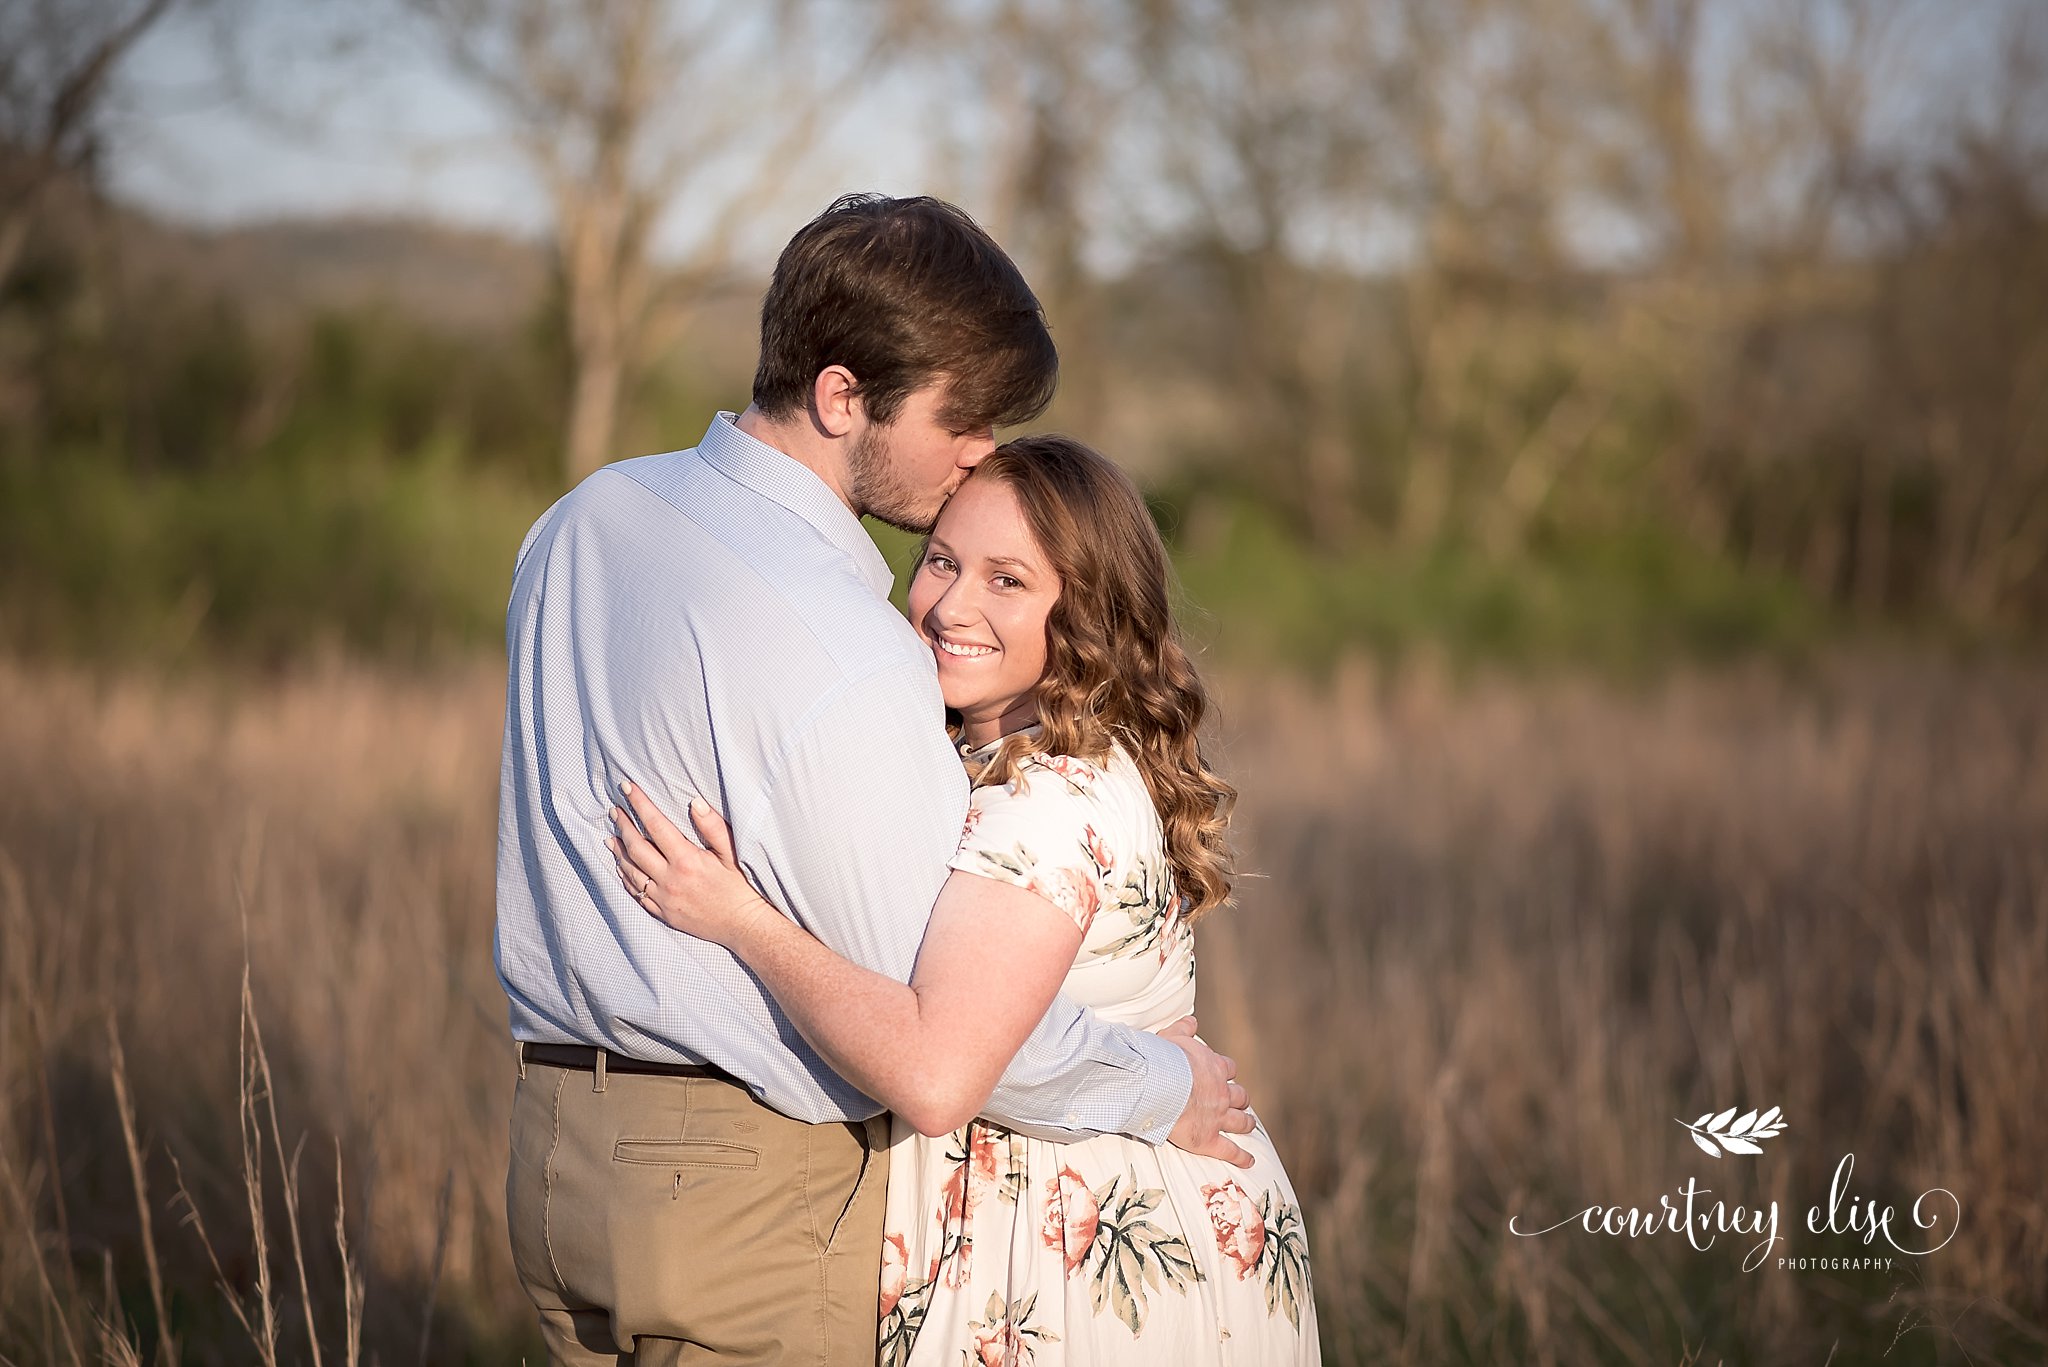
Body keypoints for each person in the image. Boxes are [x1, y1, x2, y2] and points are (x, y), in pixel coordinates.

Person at [495, 194, 1251, 1366]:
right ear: (842, 395)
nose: (980, 451)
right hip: (742, 1189)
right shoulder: (843, 642)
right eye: (966, 418)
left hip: (554, 1154)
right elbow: (940, 1043)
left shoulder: (580, 523)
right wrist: (1163, 1080)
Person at [609, 436, 1318, 1365]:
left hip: (1079, 1253)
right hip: (1104, 1212)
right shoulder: (1008, 758)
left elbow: (941, 1073)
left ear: (1089, 614)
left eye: (1008, 581)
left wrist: (740, 917)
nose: (953, 603)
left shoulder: (1047, 802)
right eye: (942, 560)